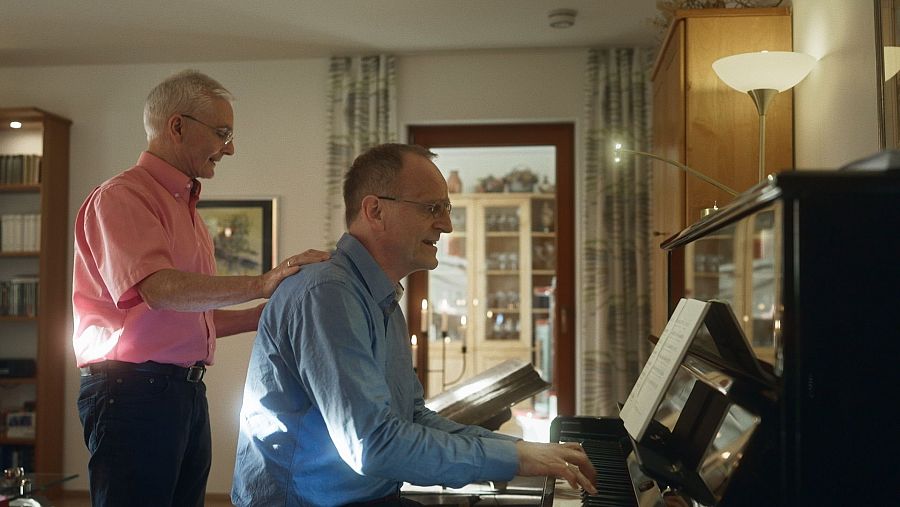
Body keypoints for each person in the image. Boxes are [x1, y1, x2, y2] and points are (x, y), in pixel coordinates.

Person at [231, 143, 597, 506]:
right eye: (432, 208)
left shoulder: (378, 296)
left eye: (447, 208)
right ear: (375, 210)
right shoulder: (328, 293)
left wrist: (519, 448)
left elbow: (413, 417)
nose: (447, 224)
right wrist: (515, 459)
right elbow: (373, 446)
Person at [72, 69, 329, 507]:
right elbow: (160, 290)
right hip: (134, 391)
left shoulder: (184, 207)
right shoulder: (123, 196)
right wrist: (263, 281)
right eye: (222, 133)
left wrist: (264, 313)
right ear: (177, 126)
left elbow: (184, 317)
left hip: (182, 390)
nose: (229, 148)